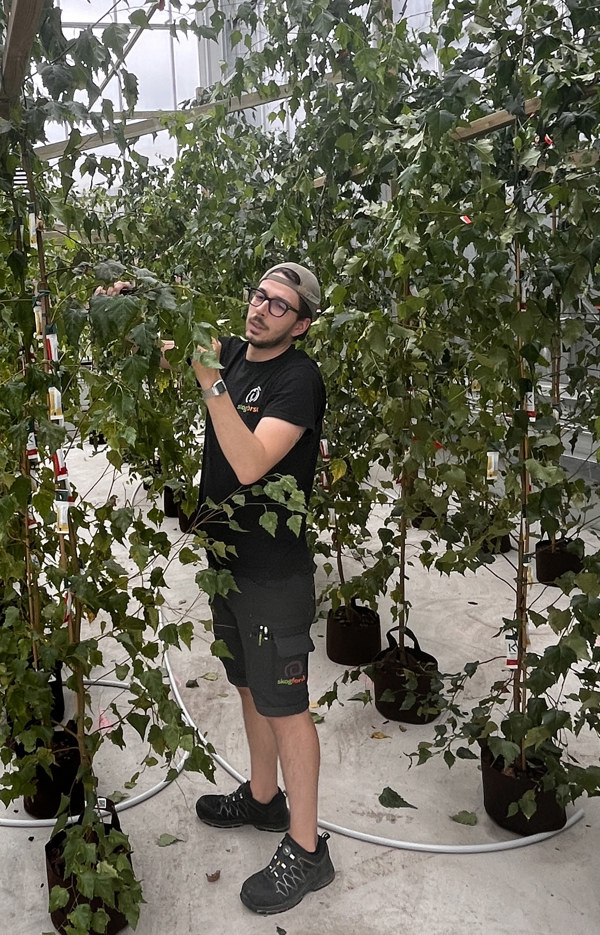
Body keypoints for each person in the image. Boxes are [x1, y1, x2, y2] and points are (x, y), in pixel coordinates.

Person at [190, 262, 334, 915]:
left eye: (279, 306)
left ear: (300, 323)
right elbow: (169, 336)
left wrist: (213, 386)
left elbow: (250, 463)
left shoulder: (297, 379)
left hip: (273, 572)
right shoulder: (230, 355)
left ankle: (307, 852)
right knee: (248, 685)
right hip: (226, 560)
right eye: (259, 295)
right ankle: (263, 798)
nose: (262, 309)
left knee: (286, 705)